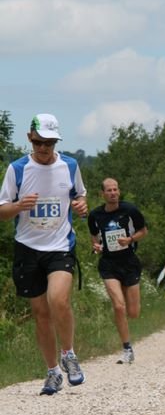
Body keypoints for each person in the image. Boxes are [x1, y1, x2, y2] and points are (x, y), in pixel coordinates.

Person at [0, 113, 87, 395]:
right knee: (40, 314)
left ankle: (69, 355)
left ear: (56, 141)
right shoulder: (17, 169)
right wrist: (18, 207)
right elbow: (2, 211)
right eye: (39, 143)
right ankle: (52, 372)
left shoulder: (70, 165)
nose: (44, 149)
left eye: (49, 143)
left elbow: (80, 196)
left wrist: (81, 206)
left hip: (60, 245)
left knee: (58, 299)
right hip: (27, 248)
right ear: (30, 139)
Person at [87, 178, 148, 364]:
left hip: (129, 262)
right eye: (109, 190)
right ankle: (127, 348)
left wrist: (130, 240)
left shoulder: (129, 210)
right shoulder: (95, 215)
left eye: (115, 189)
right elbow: (94, 236)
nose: (113, 193)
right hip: (109, 264)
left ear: (118, 192)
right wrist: (96, 246)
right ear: (102, 194)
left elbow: (143, 231)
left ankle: (128, 326)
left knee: (133, 312)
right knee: (118, 306)